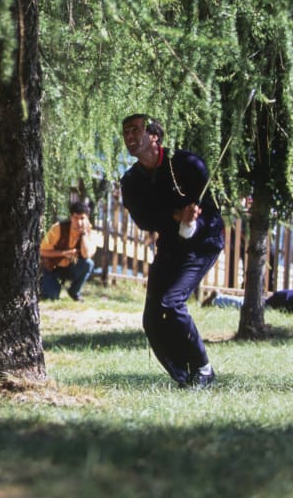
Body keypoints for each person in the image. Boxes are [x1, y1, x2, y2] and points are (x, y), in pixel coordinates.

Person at [120, 114, 224, 389]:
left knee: (172, 302)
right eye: (125, 133)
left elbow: (213, 210)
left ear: (154, 135)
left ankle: (203, 369)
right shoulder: (130, 181)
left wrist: (194, 222)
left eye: (136, 131)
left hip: (203, 244)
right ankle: (184, 375)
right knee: (151, 320)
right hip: (170, 246)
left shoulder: (186, 163)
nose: (129, 137)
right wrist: (177, 216)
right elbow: (144, 219)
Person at [39, 201, 97, 302]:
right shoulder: (58, 228)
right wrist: (64, 253)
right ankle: (44, 285)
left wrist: (83, 234)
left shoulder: (90, 232)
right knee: (49, 298)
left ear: (87, 218)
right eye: (75, 218)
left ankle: (74, 291)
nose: (79, 222)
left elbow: (86, 255)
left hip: (71, 268)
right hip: (53, 268)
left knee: (88, 263)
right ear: (71, 217)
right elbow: (41, 252)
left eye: (82, 218)